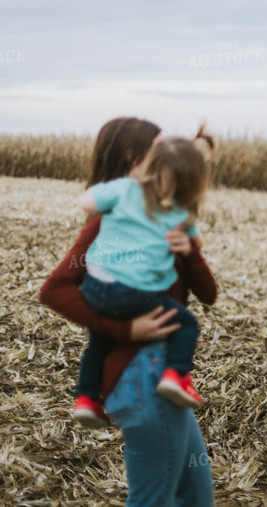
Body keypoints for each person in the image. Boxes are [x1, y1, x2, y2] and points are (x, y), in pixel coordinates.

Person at [40, 117, 216, 506]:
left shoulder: (170, 219)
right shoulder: (108, 222)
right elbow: (55, 289)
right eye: (159, 150)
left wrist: (192, 253)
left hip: (167, 382)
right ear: (135, 160)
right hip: (141, 378)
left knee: (196, 497)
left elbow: (207, 294)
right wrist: (126, 330)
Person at [74, 126, 213, 419]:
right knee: (186, 324)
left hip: (95, 285)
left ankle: (85, 399)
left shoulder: (124, 189)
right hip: (133, 292)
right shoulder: (179, 212)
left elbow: (87, 201)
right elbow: (198, 245)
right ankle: (176, 376)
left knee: (97, 343)